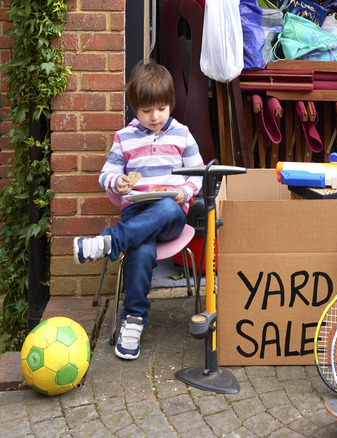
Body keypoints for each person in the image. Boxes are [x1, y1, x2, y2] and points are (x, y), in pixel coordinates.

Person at [73, 60, 204, 360]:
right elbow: (106, 173)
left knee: (170, 208)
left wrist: (183, 192)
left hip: (171, 214)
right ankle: (133, 321)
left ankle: (110, 241)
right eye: (146, 111)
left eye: (161, 108)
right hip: (135, 212)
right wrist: (116, 181)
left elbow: (198, 172)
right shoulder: (124, 138)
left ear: (170, 104)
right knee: (142, 250)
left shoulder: (182, 135)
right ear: (134, 107)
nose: (155, 116)